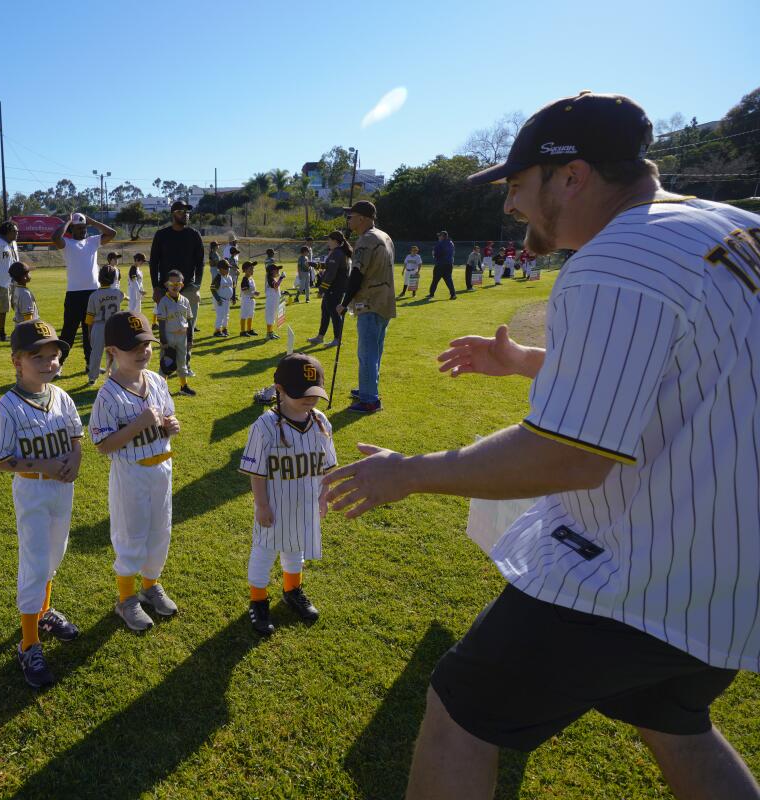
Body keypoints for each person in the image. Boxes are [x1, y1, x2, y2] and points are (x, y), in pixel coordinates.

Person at [320, 90, 760, 800]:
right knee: (676, 721)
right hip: (732, 577)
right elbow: (695, 372)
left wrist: (410, 474)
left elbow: (568, 456)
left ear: (572, 176)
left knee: (460, 714)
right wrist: (529, 362)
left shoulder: (617, 257)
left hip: (639, 575)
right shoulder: (734, 227)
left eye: (519, 187)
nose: (509, 207)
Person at [0, 319, 84, 688]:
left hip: (62, 489)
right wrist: (42, 464)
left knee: (54, 556)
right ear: (17, 361)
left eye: (54, 356)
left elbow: (75, 435)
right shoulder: (8, 406)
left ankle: (43, 613)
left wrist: (76, 458)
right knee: (35, 562)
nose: (48, 362)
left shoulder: (62, 397)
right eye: (37, 356)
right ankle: (29, 643)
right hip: (32, 490)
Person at [90, 310, 182, 632]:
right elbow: (103, 445)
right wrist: (137, 425)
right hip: (131, 474)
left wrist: (170, 426)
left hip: (162, 467)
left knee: (160, 532)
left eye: (147, 344)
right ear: (113, 351)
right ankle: (126, 599)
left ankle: (150, 585)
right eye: (134, 347)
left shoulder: (157, 381)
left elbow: (167, 419)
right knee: (132, 535)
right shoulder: (108, 394)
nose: (143, 351)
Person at [239, 353, 337, 636]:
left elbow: (328, 465)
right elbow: (257, 471)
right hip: (275, 503)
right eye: (301, 394)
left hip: (306, 501)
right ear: (279, 390)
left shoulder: (320, 422)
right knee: (265, 551)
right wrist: (261, 505)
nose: (310, 399)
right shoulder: (265, 425)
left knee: (296, 548)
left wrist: (323, 496)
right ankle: (258, 601)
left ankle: (292, 590)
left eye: (314, 393)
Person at [336, 201, 395, 414]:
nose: (348, 219)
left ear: (362, 218)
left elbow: (357, 274)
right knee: (375, 350)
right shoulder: (384, 236)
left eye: (350, 216)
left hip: (370, 301)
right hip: (384, 301)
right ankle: (368, 389)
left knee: (367, 353)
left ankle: (370, 399)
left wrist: (344, 303)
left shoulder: (366, 239)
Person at [52, 212, 117, 372]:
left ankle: (90, 364)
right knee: (69, 332)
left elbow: (112, 233)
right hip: (74, 294)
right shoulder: (67, 243)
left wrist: (92, 221)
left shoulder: (92, 241)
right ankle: (59, 364)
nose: (83, 230)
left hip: (93, 293)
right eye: (79, 228)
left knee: (91, 332)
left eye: (84, 227)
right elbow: (55, 238)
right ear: (72, 229)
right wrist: (68, 221)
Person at [148, 201, 204, 369]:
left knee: (188, 328)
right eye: (182, 211)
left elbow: (200, 263)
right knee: (166, 328)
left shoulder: (194, 235)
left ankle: (184, 364)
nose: (186, 214)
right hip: (166, 291)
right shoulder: (161, 235)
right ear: (173, 214)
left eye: (187, 211)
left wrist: (197, 285)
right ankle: (167, 363)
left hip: (187, 289)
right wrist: (156, 287)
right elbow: (154, 264)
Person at [154, 271, 196, 396]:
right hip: (169, 336)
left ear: (182, 285)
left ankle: (184, 386)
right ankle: (162, 389)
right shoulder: (163, 302)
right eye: (171, 282)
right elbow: (161, 323)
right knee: (166, 363)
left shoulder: (185, 301)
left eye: (177, 282)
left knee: (182, 362)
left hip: (182, 336)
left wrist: (190, 339)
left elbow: (189, 321)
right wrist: (163, 340)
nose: (175, 285)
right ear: (166, 284)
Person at [308, 231, 350, 347]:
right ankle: (320, 337)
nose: (327, 242)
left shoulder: (337, 253)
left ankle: (337, 339)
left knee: (334, 313)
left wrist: (322, 290)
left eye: (329, 239)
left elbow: (331, 273)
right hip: (334, 288)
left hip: (335, 289)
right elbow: (327, 266)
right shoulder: (337, 252)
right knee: (325, 312)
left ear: (335, 241)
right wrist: (314, 264)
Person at [84, 266, 124, 386]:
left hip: (99, 326)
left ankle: (92, 377)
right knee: (114, 353)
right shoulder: (118, 294)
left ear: (99, 278)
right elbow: (121, 296)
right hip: (113, 326)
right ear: (114, 279)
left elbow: (89, 319)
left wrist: (90, 332)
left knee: (96, 353)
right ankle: (115, 377)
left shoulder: (93, 296)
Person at [427, 230, 457, 300]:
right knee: (449, 280)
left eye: (440, 235)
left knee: (435, 280)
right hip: (449, 264)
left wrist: (434, 254)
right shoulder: (451, 243)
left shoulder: (440, 244)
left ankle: (431, 294)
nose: (438, 237)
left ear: (443, 236)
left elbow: (436, 254)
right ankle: (453, 294)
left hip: (440, 264)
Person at [210, 259, 233, 337]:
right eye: (226, 268)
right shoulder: (218, 277)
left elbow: (232, 288)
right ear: (220, 269)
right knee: (220, 315)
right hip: (220, 300)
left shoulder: (229, 277)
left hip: (227, 300)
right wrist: (218, 299)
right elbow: (212, 288)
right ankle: (217, 331)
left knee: (226, 315)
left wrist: (233, 297)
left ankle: (224, 329)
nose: (228, 269)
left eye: (228, 268)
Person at [263, 261, 285, 340]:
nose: (278, 271)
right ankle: (268, 333)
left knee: (272, 316)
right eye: (276, 270)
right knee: (270, 316)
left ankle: (271, 332)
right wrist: (281, 278)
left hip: (274, 300)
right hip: (271, 300)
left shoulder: (272, 278)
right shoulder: (270, 278)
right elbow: (275, 286)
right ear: (272, 271)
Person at [238, 261, 259, 336]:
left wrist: (254, 292)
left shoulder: (251, 279)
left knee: (251, 314)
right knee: (244, 315)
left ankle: (249, 329)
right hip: (246, 299)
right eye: (250, 269)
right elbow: (244, 290)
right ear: (245, 270)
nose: (252, 270)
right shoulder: (245, 279)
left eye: (253, 269)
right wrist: (254, 292)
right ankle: (242, 331)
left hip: (251, 299)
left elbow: (251, 290)